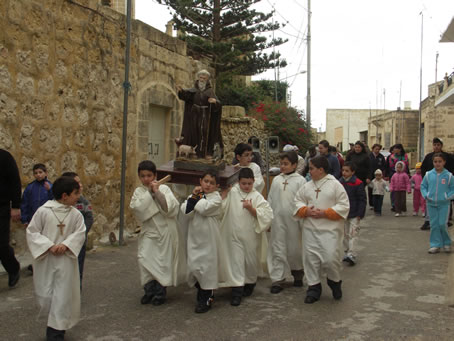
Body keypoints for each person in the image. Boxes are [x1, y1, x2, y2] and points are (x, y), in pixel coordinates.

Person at [26, 176, 86, 340]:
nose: (78, 197)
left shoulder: (76, 215)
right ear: (65, 196)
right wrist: (49, 245)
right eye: (75, 193)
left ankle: (55, 332)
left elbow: (80, 233)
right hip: (46, 260)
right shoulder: (44, 211)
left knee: (62, 295)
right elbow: (32, 232)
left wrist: (66, 244)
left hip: (66, 261)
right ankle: (57, 325)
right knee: (47, 294)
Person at [294, 156, 350, 304]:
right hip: (310, 230)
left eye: (311, 168)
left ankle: (334, 282)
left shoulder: (335, 185)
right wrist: (305, 210)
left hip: (330, 231)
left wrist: (325, 213)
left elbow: (344, 206)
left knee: (330, 259)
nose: (309, 171)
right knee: (311, 260)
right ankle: (313, 288)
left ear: (321, 169)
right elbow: (297, 201)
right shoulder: (307, 186)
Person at [129, 161, 186, 306]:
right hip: (149, 231)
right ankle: (149, 291)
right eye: (143, 176)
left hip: (164, 231)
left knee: (162, 263)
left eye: (149, 175)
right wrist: (148, 193)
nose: (146, 179)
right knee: (144, 259)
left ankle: (160, 293)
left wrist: (157, 192)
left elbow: (170, 208)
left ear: (155, 175)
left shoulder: (164, 189)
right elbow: (137, 209)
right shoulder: (139, 192)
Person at [220, 168, 273, 306]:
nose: (247, 186)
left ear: (253, 182)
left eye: (249, 183)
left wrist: (252, 209)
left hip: (250, 237)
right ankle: (236, 292)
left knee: (250, 262)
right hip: (233, 236)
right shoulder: (232, 192)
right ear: (239, 182)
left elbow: (267, 215)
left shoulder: (257, 196)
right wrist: (224, 195)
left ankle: (249, 283)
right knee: (236, 263)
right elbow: (221, 208)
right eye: (244, 183)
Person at [181, 171, 226, 313]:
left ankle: (205, 299)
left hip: (209, 238)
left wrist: (196, 198)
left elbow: (204, 209)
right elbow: (185, 210)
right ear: (200, 181)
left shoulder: (216, 198)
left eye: (212, 183)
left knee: (207, 269)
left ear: (217, 186)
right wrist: (195, 197)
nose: (208, 185)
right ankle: (204, 291)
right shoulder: (195, 195)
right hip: (195, 237)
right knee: (194, 267)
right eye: (206, 181)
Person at [267, 151, 307, 294]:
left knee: (294, 249)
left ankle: (297, 274)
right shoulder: (277, 180)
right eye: (281, 164)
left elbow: (303, 201)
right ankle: (278, 279)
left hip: (294, 222)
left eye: (286, 164)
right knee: (278, 248)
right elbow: (270, 199)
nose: (282, 166)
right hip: (278, 221)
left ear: (295, 165)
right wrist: (269, 219)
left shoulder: (300, 181)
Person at [177, 69, 223, 158]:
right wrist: (181, 91)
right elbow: (186, 96)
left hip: (205, 116)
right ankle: (193, 153)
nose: (202, 79)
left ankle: (204, 153)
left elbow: (218, 104)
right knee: (193, 133)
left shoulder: (210, 91)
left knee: (205, 132)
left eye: (204, 78)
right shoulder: (194, 90)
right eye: (200, 77)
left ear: (207, 79)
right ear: (198, 78)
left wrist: (214, 102)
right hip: (194, 116)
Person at [62, 172, 94, 288]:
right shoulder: (59, 203)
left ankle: (76, 291)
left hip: (79, 242)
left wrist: (81, 234)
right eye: (77, 183)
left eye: (80, 182)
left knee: (77, 268)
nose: (80, 185)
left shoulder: (83, 202)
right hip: (63, 243)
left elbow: (89, 218)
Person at [421, 153, 454, 254]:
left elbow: (452, 189)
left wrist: (447, 196)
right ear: (433, 163)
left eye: (440, 161)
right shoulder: (428, 175)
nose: (437, 164)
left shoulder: (449, 176)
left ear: (444, 162)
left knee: (442, 224)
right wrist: (426, 195)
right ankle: (435, 245)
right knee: (434, 225)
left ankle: (447, 243)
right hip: (431, 204)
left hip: (444, 204)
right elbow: (423, 186)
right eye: (435, 162)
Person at [420, 138, 454, 230]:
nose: (436, 146)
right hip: (432, 183)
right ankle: (428, 221)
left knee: (446, 201)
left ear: (441, 146)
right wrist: (425, 180)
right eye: (435, 145)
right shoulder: (428, 157)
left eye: (438, 145)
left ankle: (446, 220)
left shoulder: (448, 157)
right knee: (430, 201)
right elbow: (423, 169)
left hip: (444, 183)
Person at [0, 149, 22, 288]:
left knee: (1, 244)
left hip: (1, 207)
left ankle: (13, 268)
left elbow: (15, 182)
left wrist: (15, 206)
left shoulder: (4, 157)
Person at [339, 162, 366, 266]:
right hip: (343, 213)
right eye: (343, 170)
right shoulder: (339, 183)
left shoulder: (358, 183)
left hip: (355, 213)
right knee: (344, 234)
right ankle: (346, 252)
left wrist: (360, 213)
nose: (344, 173)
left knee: (353, 234)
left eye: (347, 171)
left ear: (353, 172)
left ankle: (352, 254)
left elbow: (362, 199)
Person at [368, 144, 386, 209]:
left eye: (378, 149)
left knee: (378, 189)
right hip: (371, 175)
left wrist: (383, 174)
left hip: (378, 176)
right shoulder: (369, 156)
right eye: (376, 149)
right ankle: (371, 204)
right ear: (373, 149)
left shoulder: (381, 157)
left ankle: (378, 203)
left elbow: (384, 166)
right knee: (370, 189)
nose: (377, 150)